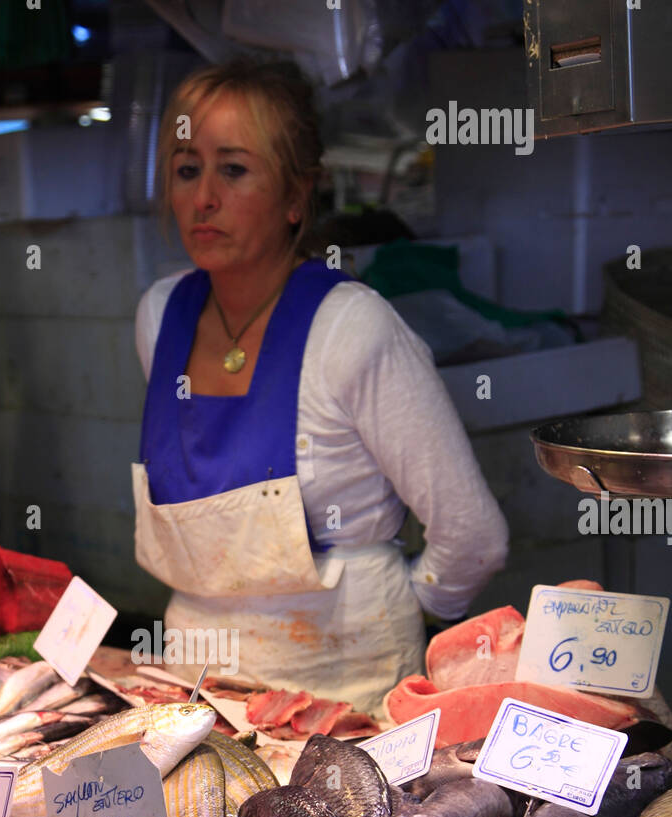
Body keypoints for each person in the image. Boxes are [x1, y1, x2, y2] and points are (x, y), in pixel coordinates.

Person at [133, 60, 508, 715]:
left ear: (296, 195)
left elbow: (473, 535)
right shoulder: (159, 316)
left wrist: (385, 612)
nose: (205, 198)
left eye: (235, 169)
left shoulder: (350, 329)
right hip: (193, 690)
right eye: (188, 169)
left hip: (343, 693)